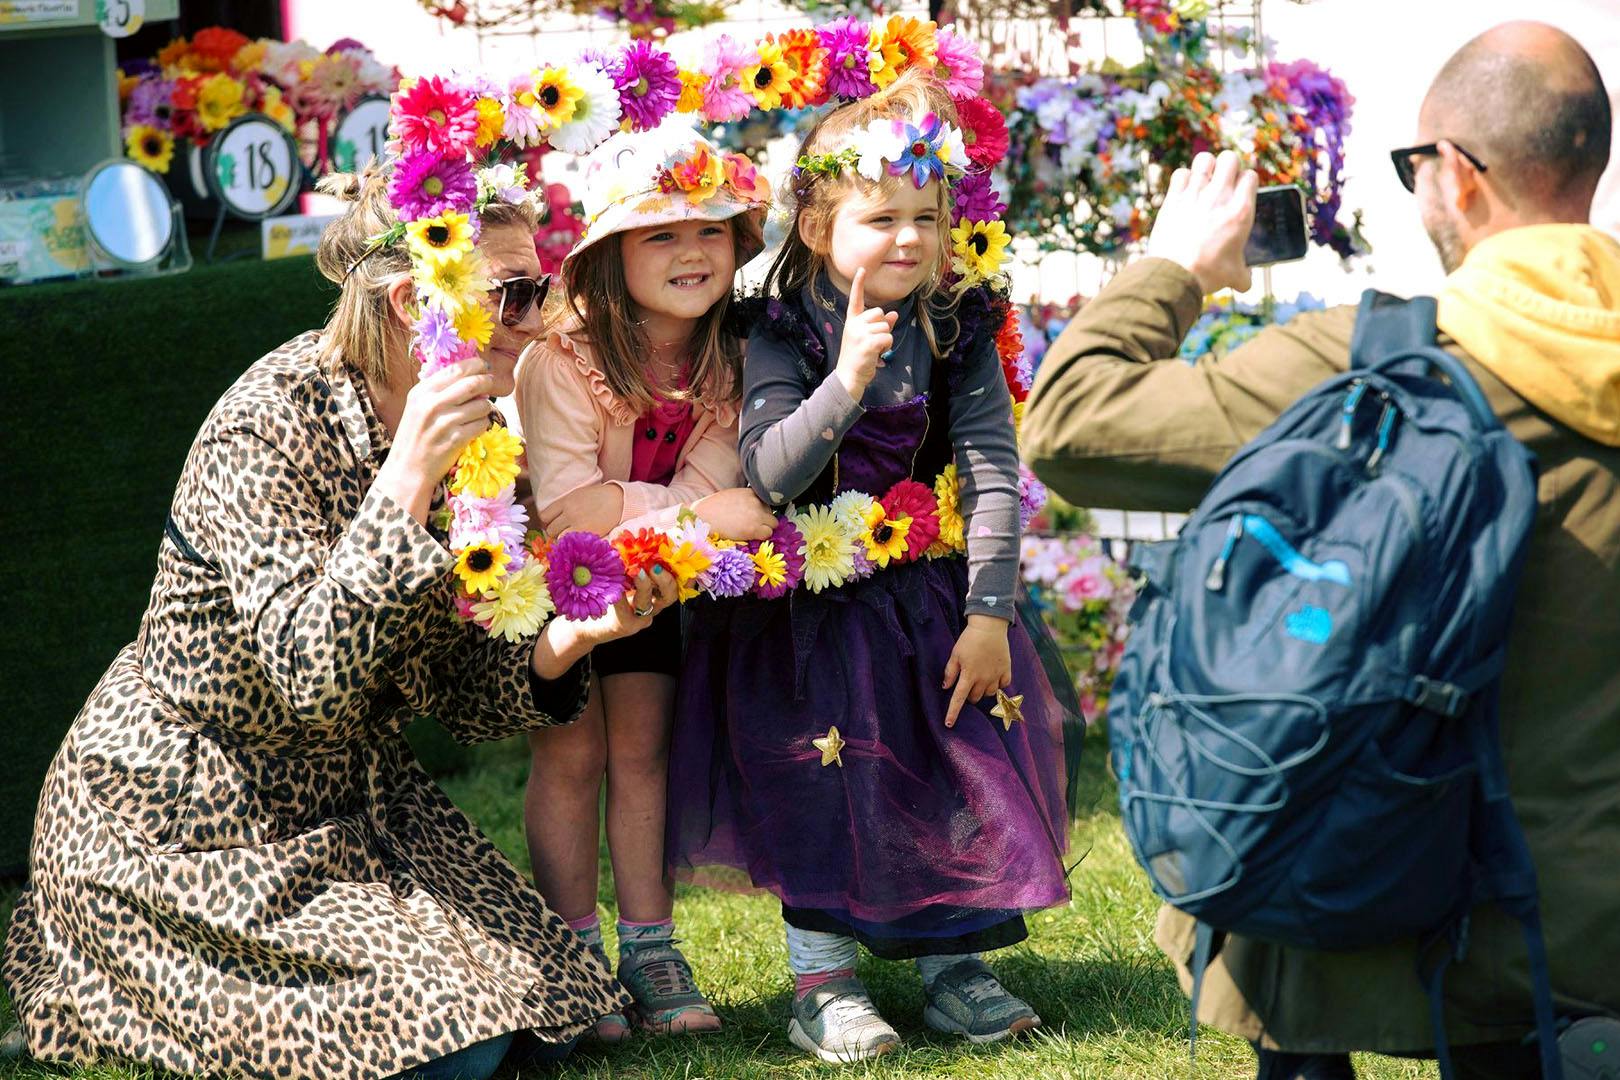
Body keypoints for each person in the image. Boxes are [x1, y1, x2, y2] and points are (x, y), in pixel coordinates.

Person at [1022, 21, 1619, 1080]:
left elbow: (1073, 420)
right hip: (1580, 923)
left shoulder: (1373, 358)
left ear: (1457, 179)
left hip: (1356, 876)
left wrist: (1173, 267)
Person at [0, 164, 679, 1080]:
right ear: (413, 301)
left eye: (541, 287)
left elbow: (470, 695)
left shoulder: (483, 439)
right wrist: (405, 480)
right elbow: (312, 675)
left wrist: (578, 635)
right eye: (514, 294)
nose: (541, 318)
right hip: (191, 813)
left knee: (555, 1005)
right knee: (461, 1047)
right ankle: (107, 987)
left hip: (354, 803)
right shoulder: (267, 424)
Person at [664, 69, 1072, 1064]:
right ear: (815, 226)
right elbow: (768, 469)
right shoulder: (782, 329)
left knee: (948, 767)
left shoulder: (957, 322)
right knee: (815, 778)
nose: (907, 239)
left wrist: (988, 613)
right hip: (805, 609)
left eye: (925, 218)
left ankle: (955, 964)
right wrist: (844, 379)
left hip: (925, 597)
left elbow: (986, 465)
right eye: (879, 216)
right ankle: (824, 980)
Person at [510, 120, 776, 1040]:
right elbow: (574, 512)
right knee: (573, 752)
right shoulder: (561, 359)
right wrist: (696, 520)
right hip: (559, 587)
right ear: (608, 255)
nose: (692, 251)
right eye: (661, 233)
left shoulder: (729, 360)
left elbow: (721, 486)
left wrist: (677, 522)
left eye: (709, 229)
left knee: (645, 750)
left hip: (661, 581)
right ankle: (573, 953)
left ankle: (651, 948)